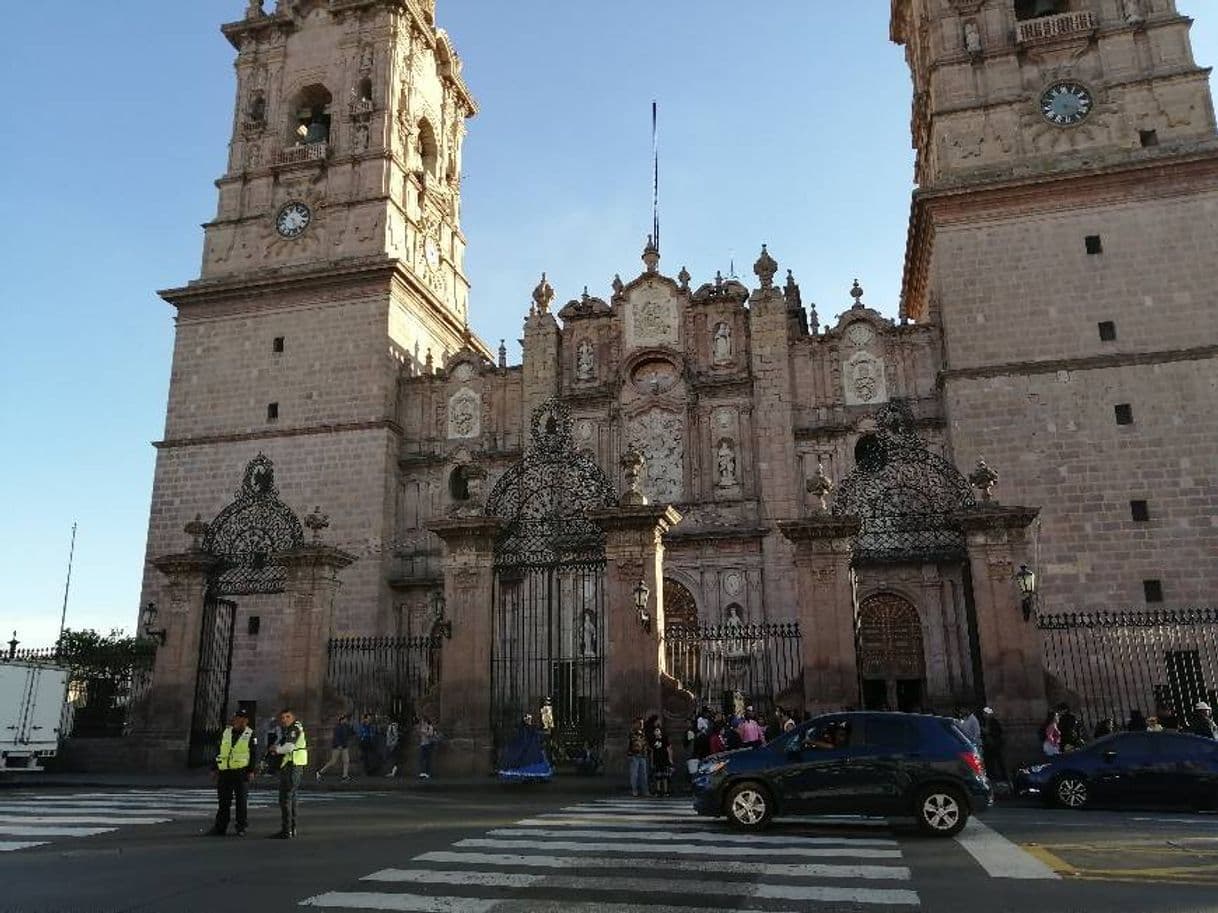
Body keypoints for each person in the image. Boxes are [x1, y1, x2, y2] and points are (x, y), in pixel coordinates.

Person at [207, 709, 256, 836]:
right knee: (223, 801)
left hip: (241, 772)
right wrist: (214, 768)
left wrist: (251, 770)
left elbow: (253, 754)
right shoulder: (226, 732)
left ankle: (241, 827)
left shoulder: (250, 734)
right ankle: (220, 827)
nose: (239, 720)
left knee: (241, 802)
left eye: (242, 718)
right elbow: (219, 751)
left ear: (246, 721)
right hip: (225, 771)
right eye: (237, 718)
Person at [267, 708, 308, 839]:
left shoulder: (294, 728)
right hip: (294, 764)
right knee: (292, 798)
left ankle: (287, 830)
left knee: (285, 798)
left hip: (293, 765)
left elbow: (289, 747)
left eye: (287, 717)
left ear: (293, 717)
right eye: (283, 717)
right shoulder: (293, 727)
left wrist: (276, 749)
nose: (284, 720)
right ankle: (291, 828)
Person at [316, 714, 353, 782]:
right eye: (344, 719)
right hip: (337, 747)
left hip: (344, 746)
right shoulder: (338, 727)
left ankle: (345, 776)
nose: (346, 720)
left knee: (346, 761)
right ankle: (320, 772)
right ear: (341, 720)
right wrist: (339, 745)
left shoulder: (346, 726)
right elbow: (336, 737)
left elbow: (350, 734)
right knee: (333, 761)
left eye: (346, 719)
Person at [980, 707, 1007, 785]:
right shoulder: (986, 721)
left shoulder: (993, 722)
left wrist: (986, 731)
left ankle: (1002, 776)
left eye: (985, 714)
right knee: (990, 761)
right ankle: (993, 776)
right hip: (990, 745)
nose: (984, 715)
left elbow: (996, 732)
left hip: (994, 744)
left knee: (998, 761)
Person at [650, 722, 673, 797]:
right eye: (655, 731)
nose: (656, 732)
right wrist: (652, 761)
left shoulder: (664, 738)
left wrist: (670, 759)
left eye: (658, 730)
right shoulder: (653, 740)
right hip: (657, 760)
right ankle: (658, 791)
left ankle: (666, 791)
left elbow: (669, 749)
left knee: (665, 776)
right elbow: (652, 751)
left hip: (664, 759)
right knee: (658, 776)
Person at [627, 718, 648, 798]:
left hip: (643, 755)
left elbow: (645, 743)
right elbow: (634, 741)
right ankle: (634, 790)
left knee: (643, 774)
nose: (641, 725)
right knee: (634, 774)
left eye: (642, 723)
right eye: (640, 723)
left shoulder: (643, 733)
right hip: (634, 755)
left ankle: (645, 790)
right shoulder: (633, 732)